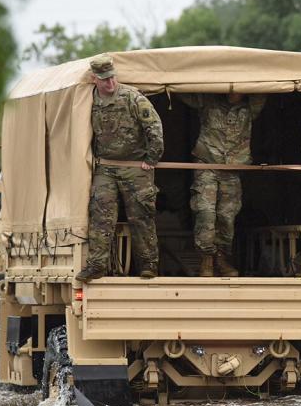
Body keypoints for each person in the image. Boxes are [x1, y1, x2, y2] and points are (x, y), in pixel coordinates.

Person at [76, 54, 164, 282]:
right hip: (106, 167)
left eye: (113, 78)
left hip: (135, 166)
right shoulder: (89, 100)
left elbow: (153, 126)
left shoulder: (132, 97)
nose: (111, 83)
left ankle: (148, 264)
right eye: (105, 79)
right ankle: (97, 265)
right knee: (101, 214)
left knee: (141, 215)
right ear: (95, 78)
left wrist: (152, 158)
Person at [180, 92, 267, 276]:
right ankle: (206, 259)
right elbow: (183, 90)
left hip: (232, 169)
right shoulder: (208, 99)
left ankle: (221, 258)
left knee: (227, 216)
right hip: (207, 164)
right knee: (205, 212)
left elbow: (265, 82)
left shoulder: (250, 106)